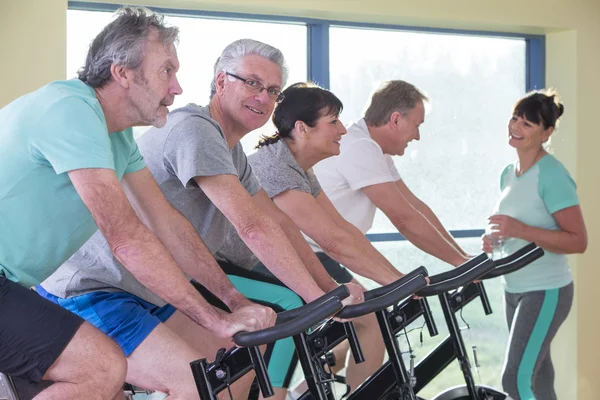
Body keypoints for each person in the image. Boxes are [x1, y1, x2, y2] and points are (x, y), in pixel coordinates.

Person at [39, 39, 359, 400]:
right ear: (221, 82)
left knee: (237, 366)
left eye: (272, 91)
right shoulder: (194, 128)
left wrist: (327, 291)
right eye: (252, 83)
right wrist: (318, 297)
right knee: (202, 383)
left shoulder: (232, 151)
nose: (263, 97)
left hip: (150, 289)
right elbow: (251, 227)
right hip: (93, 288)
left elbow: (277, 222)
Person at [27, 10, 277, 400]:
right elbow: (128, 239)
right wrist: (214, 315)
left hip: (137, 290)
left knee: (237, 365)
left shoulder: (120, 138)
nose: (176, 87)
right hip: (86, 289)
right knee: (195, 385)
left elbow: (168, 225)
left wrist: (233, 302)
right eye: (166, 71)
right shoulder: (72, 113)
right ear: (123, 73)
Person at [217, 82, 415, 394]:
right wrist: (396, 281)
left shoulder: (299, 168)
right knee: (292, 308)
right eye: (333, 122)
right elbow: (331, 241)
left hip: (269, 258)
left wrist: (397, 279)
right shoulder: (274, 166)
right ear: (302, 128)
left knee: (355, 312)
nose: (342, 131)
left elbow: (341, 229)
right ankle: (283, 393)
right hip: (238, 262)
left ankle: (305, 389)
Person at [482, 90, 587, 400]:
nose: (516, 127)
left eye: (528, 124)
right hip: (513, 289)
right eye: (515, 118)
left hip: (545, 291)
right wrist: (495, 239)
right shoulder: (508, 174)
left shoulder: (552, 174)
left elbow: (578, 241)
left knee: (515, 380)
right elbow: (517, 226)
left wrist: (521, 229)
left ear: (547, 133)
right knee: (538, 378)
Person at [311, 80, 469, 271]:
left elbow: (414, 206)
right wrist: (459, 262)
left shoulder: (375, 149)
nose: (417, 136)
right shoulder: (359, 145)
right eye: (416, 125)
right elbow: (403, 218)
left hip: (328, 255)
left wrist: (462, 256)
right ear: (395, 120)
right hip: (312, 256)